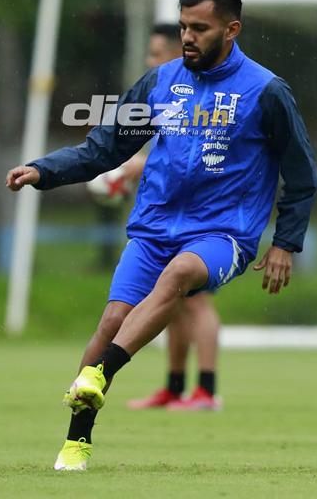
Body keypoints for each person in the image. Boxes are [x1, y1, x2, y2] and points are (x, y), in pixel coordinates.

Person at [5, 0, 317, 471]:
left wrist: (285, 243)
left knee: (180, 274)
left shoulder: (266, 91)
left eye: (200, 28)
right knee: (112, 321)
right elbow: (105, 148)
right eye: (183, 26)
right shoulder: (160, 83)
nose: (187, 36)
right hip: (154, 229)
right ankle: (76, 442)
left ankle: (101, 372)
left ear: (232, 29)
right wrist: (44, 170)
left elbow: (302, 175)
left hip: (223, 234)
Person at [115, 24, 224, 411]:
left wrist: (138, 166)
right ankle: (175, 388)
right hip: (168, 217)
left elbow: (194, 159)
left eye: (156, 53)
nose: (150, 60)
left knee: (197, 304)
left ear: (178, 53)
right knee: (173, 303)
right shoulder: (171, 94)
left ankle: (207, 391)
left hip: (199, 221)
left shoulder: (207, 94)